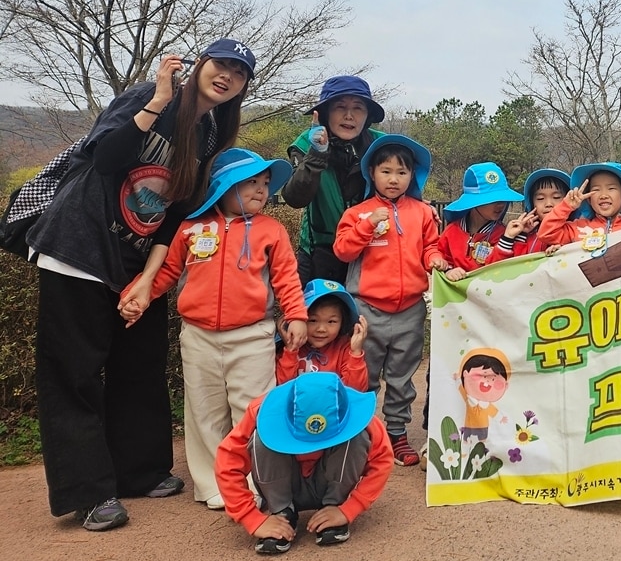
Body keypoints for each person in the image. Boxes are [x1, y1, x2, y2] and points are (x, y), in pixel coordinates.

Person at [26, 38, 254, 530]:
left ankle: (138, 470)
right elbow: (105, 158)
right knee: (75, 372)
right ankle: (87, 493)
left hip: (136, 260)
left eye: (239, 73)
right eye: (221, 64)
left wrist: (149, 281)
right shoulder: (149, 96)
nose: (227, 76)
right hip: (79, 246)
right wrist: (157, 101)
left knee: (140, 363)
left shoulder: (211, 132)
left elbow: (175, 215)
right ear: (199, 66)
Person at [119, 147, 309, 511]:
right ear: (224, 186)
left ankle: (256, 483)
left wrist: (296, 314)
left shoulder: (272, 230)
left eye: (265, 183)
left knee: (252, 409)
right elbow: (166, 273)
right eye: (251, 182)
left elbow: (287, 277)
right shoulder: (191, 228)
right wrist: (136, 298)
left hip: (252, 335)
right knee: (204, 411)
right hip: (198, 335)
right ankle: (212, 485)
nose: (260, 190)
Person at [333, 134, 445, 467]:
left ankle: (397, 434)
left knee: (401, 377)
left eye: (402, 172)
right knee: (363, 376)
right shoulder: (357, 213)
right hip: (366, 308)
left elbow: (430, 247)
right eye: (386, 171)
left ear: (413, 176)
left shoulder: (423, 212)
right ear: (371, 173)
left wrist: (435, 259)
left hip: (410, 308)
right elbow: (343, 250)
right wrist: (367, 227)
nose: (394, 178)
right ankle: (362, 435)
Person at [214, 372, 393, 554]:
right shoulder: (262, 410)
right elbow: (227, 462)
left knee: (358, 436)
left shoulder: (359, 415)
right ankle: (283, 512)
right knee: (261, 436)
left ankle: (332, 506)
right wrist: (252, 518)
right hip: (284, 484)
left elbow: (382, 460)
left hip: (331, 482)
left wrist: (349, 509)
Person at [281, 76, 386, 286]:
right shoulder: (305, 143)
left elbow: (400, 181)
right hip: (319, 249)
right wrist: (317, 154)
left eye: (358, 108)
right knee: (314, 314)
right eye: (340, 107)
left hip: (371, 245)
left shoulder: (380, 144)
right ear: (325, 112)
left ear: (367, 116)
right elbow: (295, 198)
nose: (349, 116)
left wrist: (417, 204)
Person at [438, 162, 535, 279]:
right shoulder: (452, 231)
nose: (500, 205)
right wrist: (449, 270)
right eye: (492, 200)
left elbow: (503, 271)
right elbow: (440, 258)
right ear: (474, 202)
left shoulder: (504, 234)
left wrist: (514, 237)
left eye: (503, 199)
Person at [276, 279, 369, 391]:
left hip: (334, 407)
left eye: (331, 321)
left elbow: (356, 391)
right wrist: (291, 350)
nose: (321, 329)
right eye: (313, 320)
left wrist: (355, 353)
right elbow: (282, 389)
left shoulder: (344, 349)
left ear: (342, 322)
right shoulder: (292, 348)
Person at [536, 161, 621, 251]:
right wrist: (566, 206)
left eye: (611, 188)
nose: (603, 195)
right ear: (588, 199)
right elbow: (546, 234)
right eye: (596, 190)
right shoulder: (577, 228)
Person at [510, 168, 570, 257]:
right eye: (540, 198)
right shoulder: (526, 235)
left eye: (556, 197)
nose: (548, 204)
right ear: (532, 204)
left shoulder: (576, 230)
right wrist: (522, 234)